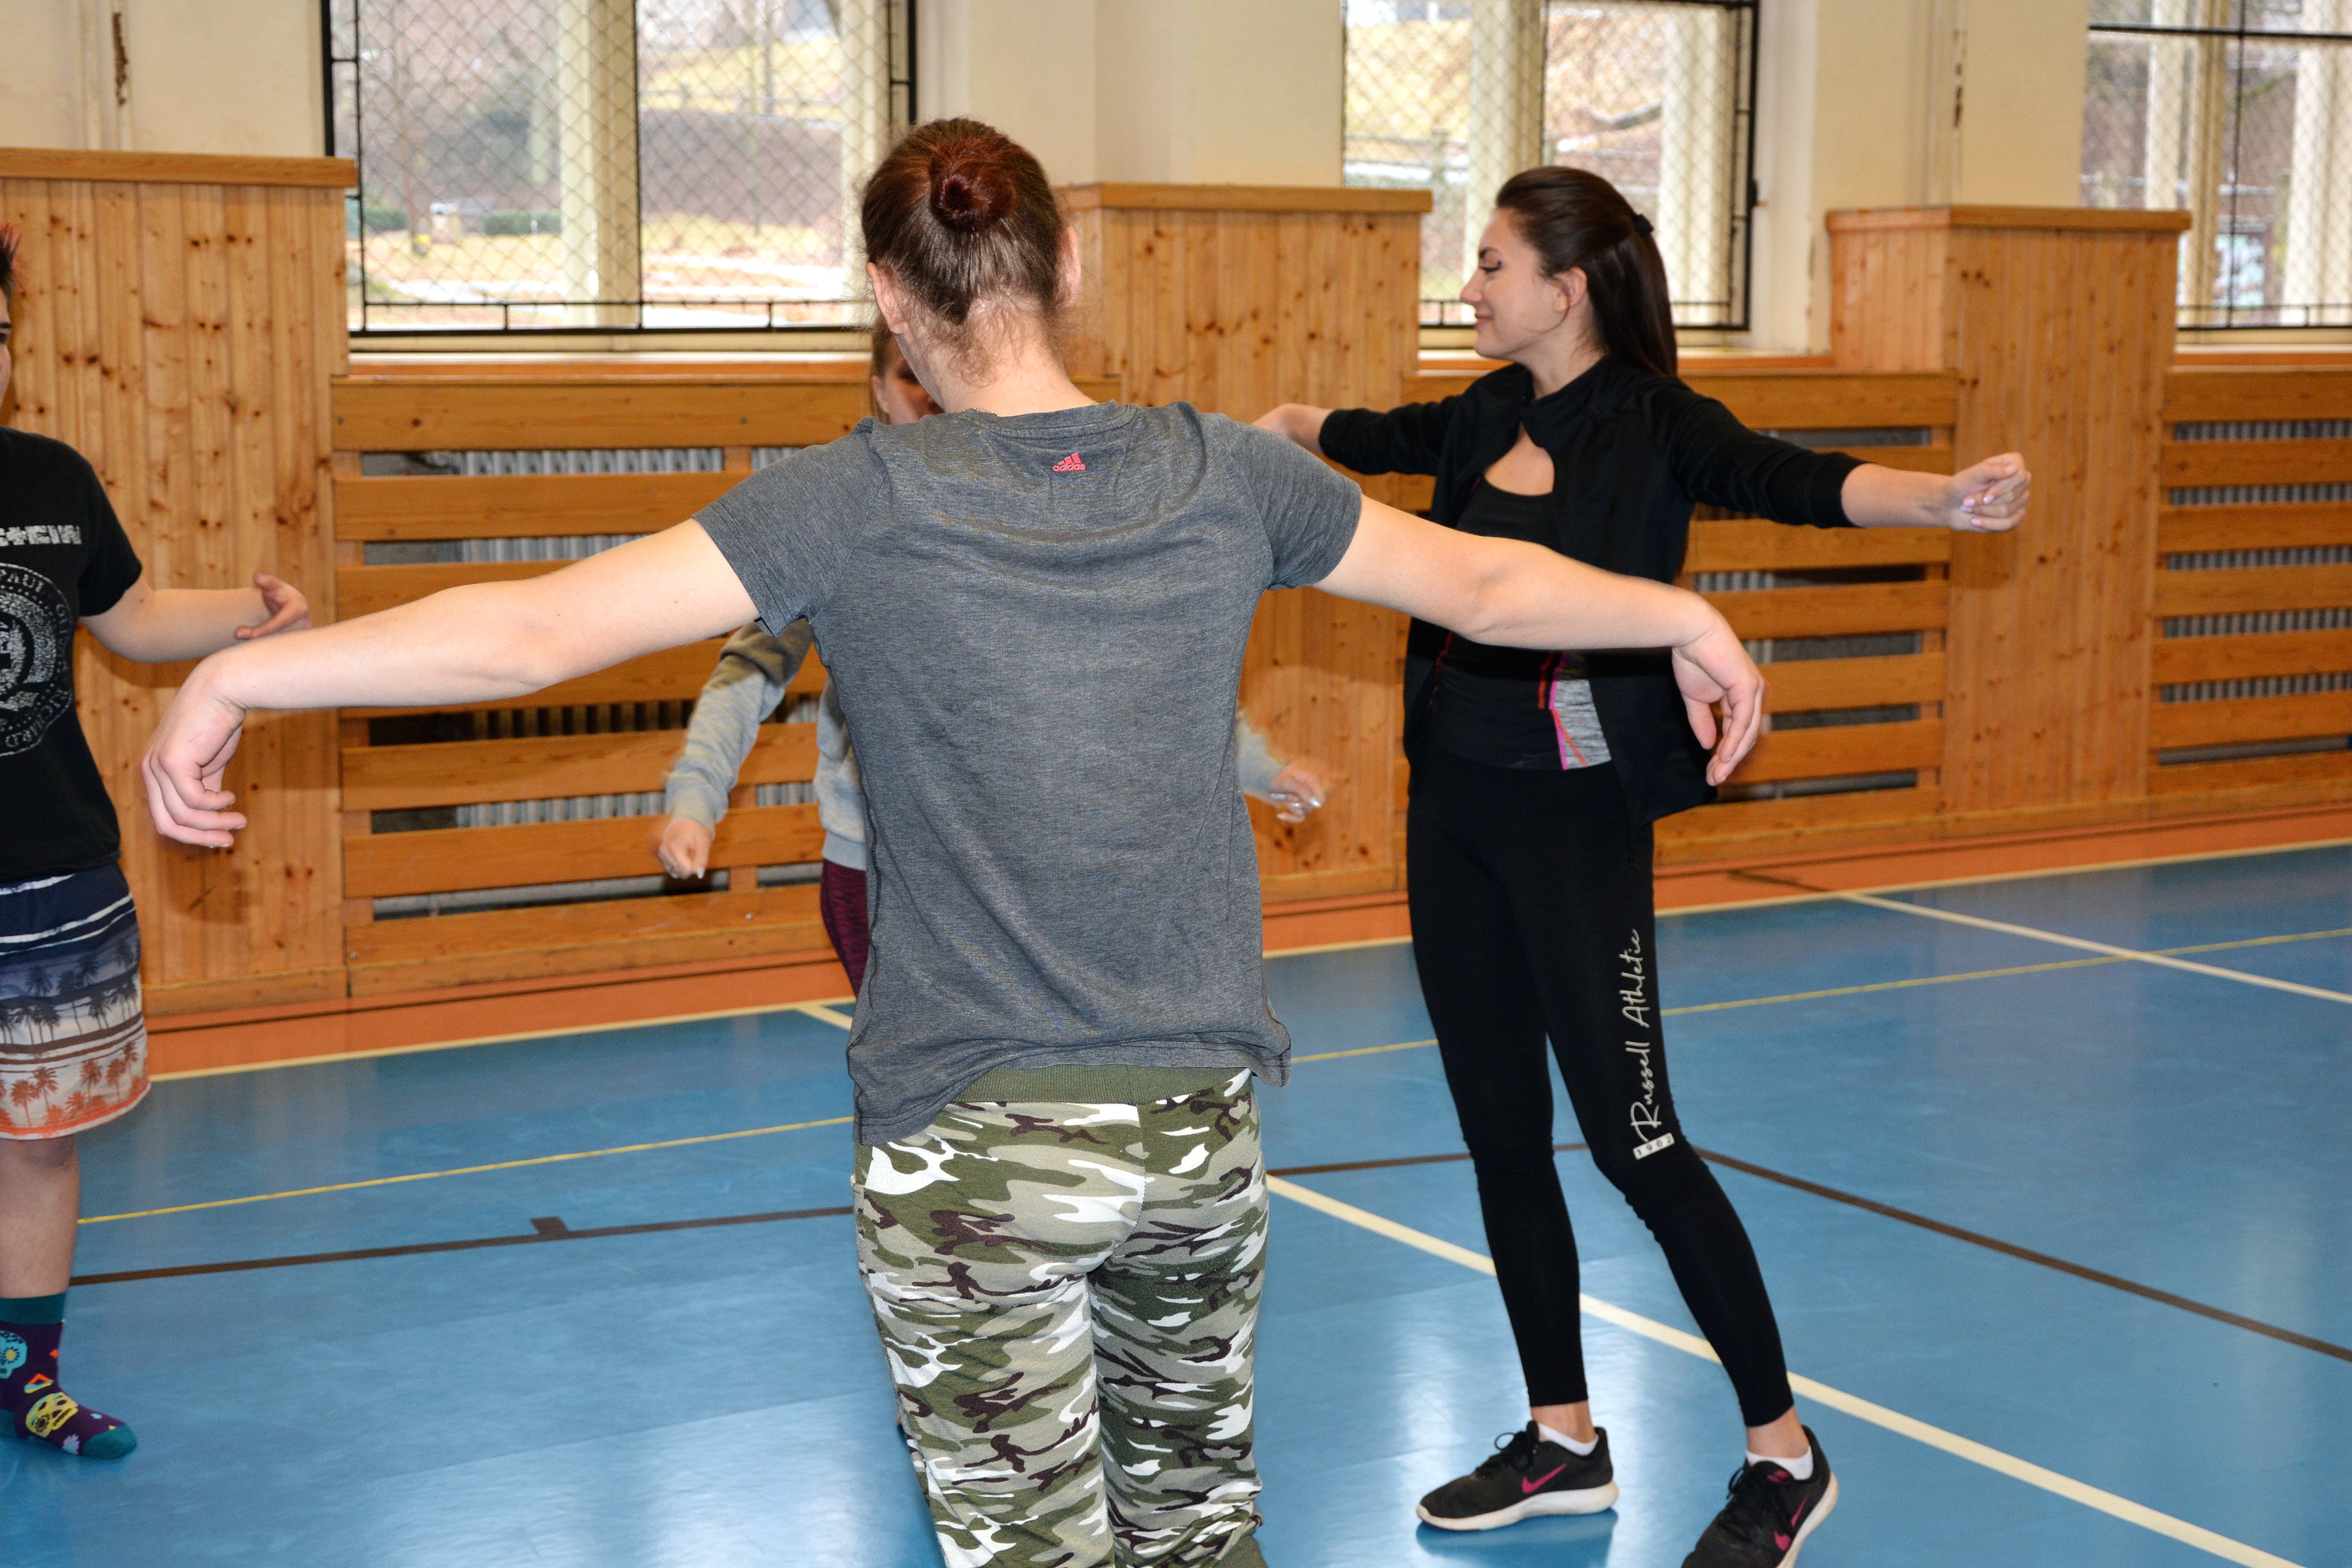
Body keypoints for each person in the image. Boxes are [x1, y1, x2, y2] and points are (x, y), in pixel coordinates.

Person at [138, 122, 1766, 1568]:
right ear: (1069, 265)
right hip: (1192, 1136)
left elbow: (533, 632)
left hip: (972, 1148)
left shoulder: (850, 499)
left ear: (885, 295)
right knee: (1200, 1534)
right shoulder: (1226, 474)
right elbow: (1486, 584)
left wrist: (238, 676)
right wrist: (1686, 617)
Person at [1256, 166, 2030, 1568]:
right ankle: (1564, 1438)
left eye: (1492, 266)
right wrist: (1268, 431)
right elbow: (1351, 433)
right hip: (1454, 820)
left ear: (1566, 291)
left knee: (1638, 1143)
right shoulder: (1477, 415)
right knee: (1501, 1137)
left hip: (1576, 828)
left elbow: (1797, 480)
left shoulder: (1658, 424)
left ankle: (1786, 1454)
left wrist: (1944, 502)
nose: (1470, 289)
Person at [656, 327, 1332, 993]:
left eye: (940, 369)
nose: (927, 393)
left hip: (1025, 876)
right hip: (885, 872)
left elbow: (1143, 675)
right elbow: (748, 673)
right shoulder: (844, 518)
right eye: (908, 375)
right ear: (878, 390)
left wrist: (1261, 768)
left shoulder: (1044, 507)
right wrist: (695, 800)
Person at [0, 225, 310, 1462]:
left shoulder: (50, 478)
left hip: (51, 874)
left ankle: (26, 1378)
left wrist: (255, 615)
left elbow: (128, 617)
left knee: (38, 1141)